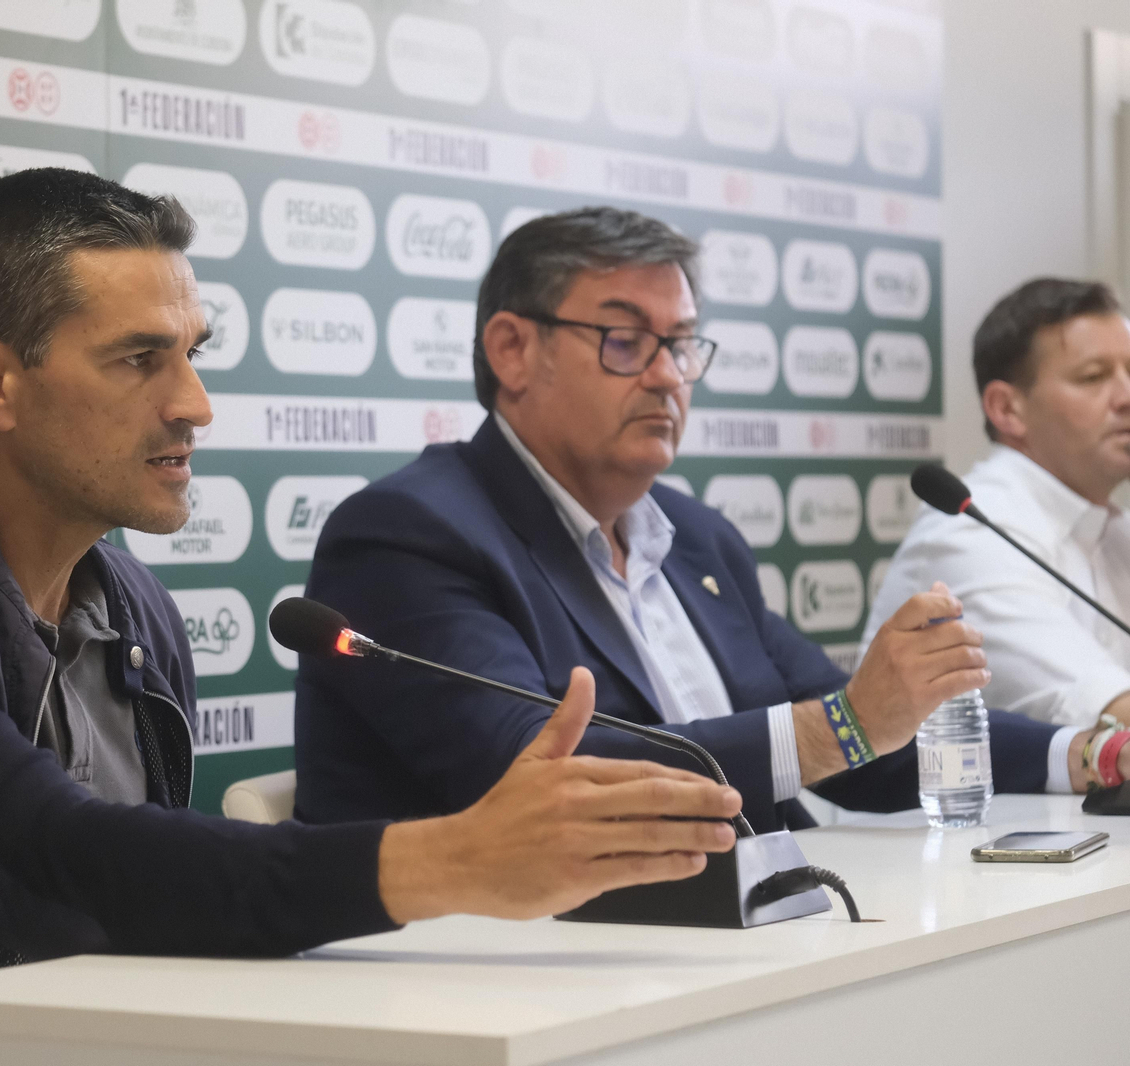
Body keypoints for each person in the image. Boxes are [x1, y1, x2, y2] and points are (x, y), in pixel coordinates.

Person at [0, 173, 745, 1066]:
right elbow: (58, 865)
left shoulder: (136, 613)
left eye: (191, 353)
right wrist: (447, 861)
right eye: (137, 359)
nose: (193, 404)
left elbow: (136, 924)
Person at [293, 208, 1130, 832]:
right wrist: (837, 727)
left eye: (683, 344)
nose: (667, 377)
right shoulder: (408, 536)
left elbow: (857, 741)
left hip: (754, 938)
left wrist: (1088, 756)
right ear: (512, 350)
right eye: (626, 341)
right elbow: (534, 770)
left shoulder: (696, 539)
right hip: (518, 974)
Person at [864, 278, 1130, 730]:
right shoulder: (971, 531)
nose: (1126, 397)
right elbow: (1113, 713)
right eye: (1094, 377)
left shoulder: (1113, 528)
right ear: (1007, 409)